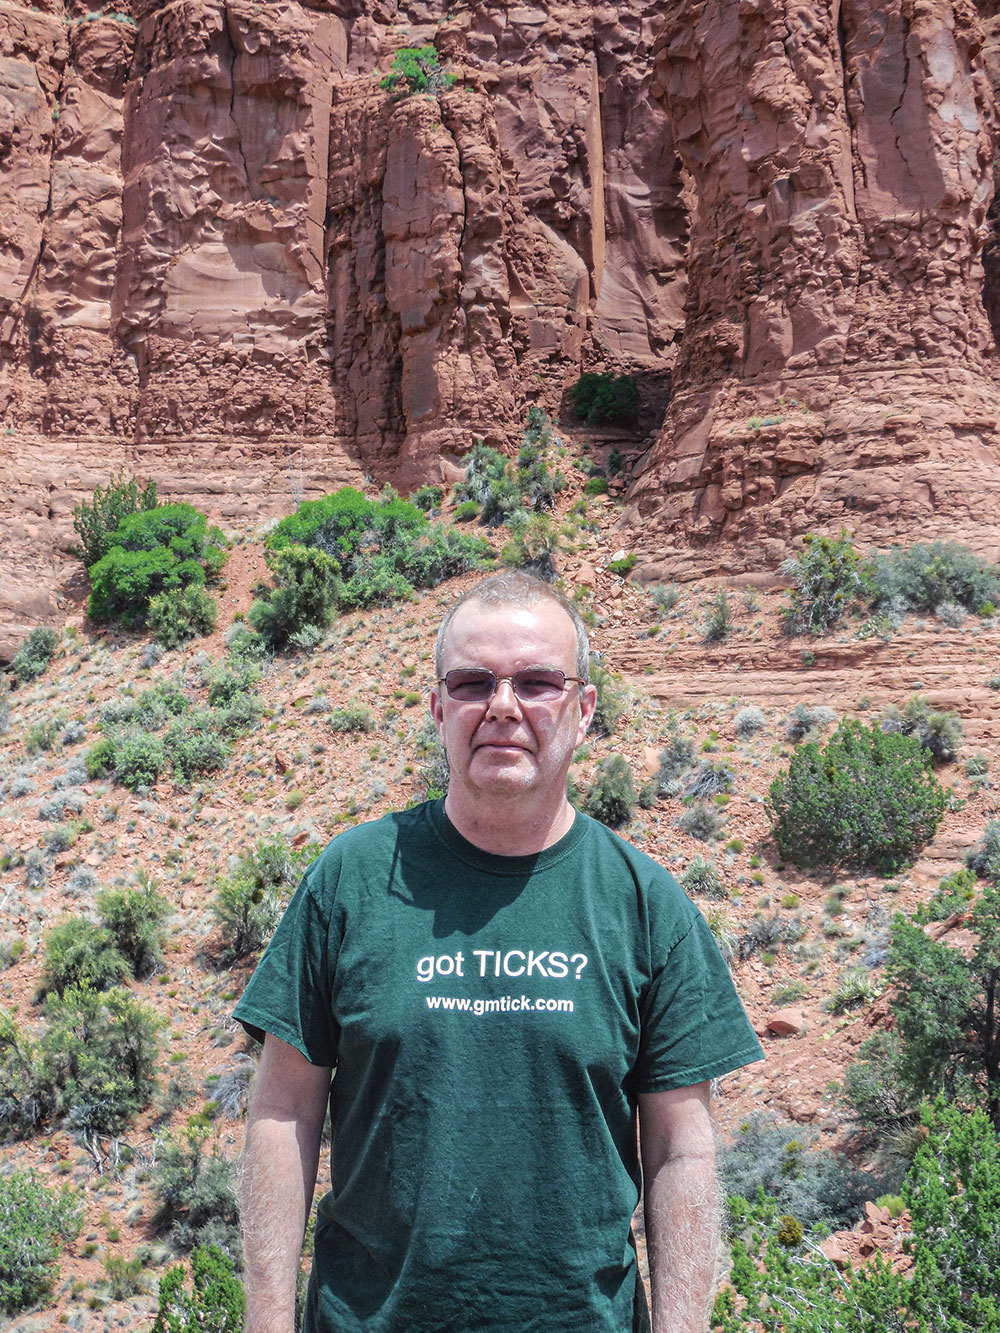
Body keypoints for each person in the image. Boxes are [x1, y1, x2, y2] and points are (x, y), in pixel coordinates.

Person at [235, 570, 763, 1333]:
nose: (503, 706)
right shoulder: (350, 879)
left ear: (583, 710)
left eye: (538, 681)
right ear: (438, 706)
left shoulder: (645, 902)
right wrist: (264, 1321)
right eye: (474, 681)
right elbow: (283, 1109)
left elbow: (682, 1150)